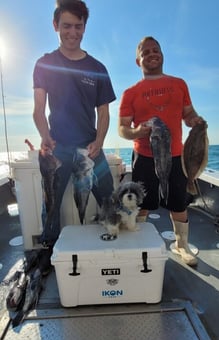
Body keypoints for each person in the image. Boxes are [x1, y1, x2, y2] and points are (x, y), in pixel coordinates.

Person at [33, 0, 116, 274]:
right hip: (58, 147)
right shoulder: (44, 63)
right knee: (51, 204)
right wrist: (45, 136)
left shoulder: (97, 67)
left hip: (90, 147)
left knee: (109, 199)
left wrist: (100, 141)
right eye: (66, 26)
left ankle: (114, 242)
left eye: (78, 26)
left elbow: (103, 113)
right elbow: (38, 110)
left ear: (84, 27)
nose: (72, 32)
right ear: (55, 25)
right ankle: (48, 246)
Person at [118, 36, 205, 266]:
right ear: (138, 60)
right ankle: (141, 244)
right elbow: (122, 129)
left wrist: (195, 120)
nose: (151, 54)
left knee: (178, 203)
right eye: (145, 52)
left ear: (162, 55)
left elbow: (188, 114)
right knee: (142, 205)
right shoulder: (131, 92)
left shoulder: (179, 84)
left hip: (177, 155)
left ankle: (181, 245)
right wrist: (137, 132)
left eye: (155, 50)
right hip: (145, 157)